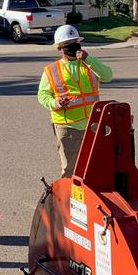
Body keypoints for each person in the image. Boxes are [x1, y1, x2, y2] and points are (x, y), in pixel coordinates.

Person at [38, 25, 114, 177]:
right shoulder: (52, 70)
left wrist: (88, 58)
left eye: (76, 42)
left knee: (94, 167)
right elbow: (42, 95)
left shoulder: (89, 64)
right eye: (69, 44)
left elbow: (108, 75)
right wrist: (56, 103)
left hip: (92, 125)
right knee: (70, 170)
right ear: (60, 48)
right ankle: (68, 200)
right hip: (67, 127)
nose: (74, 46)